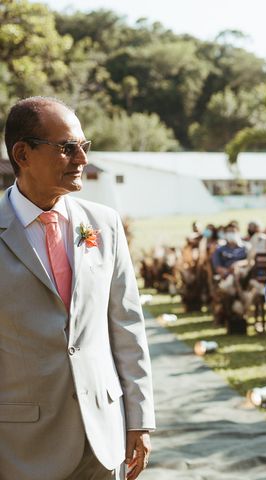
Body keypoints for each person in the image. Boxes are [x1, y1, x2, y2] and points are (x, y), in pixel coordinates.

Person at [0, 97, 155, 479]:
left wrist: (140, 419)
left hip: (103, 438)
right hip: (21, 447)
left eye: (84, 146)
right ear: (23, 154)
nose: (82, 159)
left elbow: (127, 326)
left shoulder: (105, 224)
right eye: (68, 148)